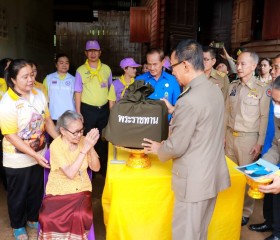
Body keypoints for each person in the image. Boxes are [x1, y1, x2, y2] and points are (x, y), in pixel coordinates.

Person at [142, 39, 230, 240]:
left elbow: (177, 146)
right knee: (200, 233)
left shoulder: (188, 99)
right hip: (211, 176)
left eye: (172, 66)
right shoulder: (213, 89)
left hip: (193, 182)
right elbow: (204, 125)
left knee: (186, 235)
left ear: (185, 65)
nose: (171, 72)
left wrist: (159, 148)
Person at [0, 59, 58, 240]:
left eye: (31, 75)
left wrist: (59, 140)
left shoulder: (39, 94)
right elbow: (11, 135)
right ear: (13, 80)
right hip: (17, 159)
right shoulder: (7, 102)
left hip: (39, 153)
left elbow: (47, 120)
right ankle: (18, 225)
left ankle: (33, 218)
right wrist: (34, 155)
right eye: (25, 77)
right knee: (18, 194)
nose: (30, 79)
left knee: (36, 190)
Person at [224, 50, 270, 226]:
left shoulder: (262, 90)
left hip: (248, 140)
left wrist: (259, 143)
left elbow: (265, 119)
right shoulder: (233, 86)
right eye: (238, 63)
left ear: (253, 66)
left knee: (247, 178)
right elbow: (225, 112)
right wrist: (223, 136)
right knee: (229, 175)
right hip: (230, 136)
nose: (239, 66)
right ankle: (230, 206)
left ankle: (245, 212)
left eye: (243, 64)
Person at [38, 110, 100, 240]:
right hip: (58, 190)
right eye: (75, 132)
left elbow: (96, 167)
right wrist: (85, 150)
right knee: (47, 217)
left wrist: (91, 147)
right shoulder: (56, 145)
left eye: (81, 130)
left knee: (80, 214)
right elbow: (70, 173)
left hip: (81, 188)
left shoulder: (85, 141)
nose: (79, 135)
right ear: (63, 131)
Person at [249, 55, 280, 236]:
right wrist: (263, 166)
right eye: (274, 102)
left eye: (279, 102)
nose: (276, 107)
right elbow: (277, 145)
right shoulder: (278, 115)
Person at [74, 40, 112, 176]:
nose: (93, 53)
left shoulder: (107, 69)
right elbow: (78, 91)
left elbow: (110, 90)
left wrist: (111, 110)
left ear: (100, 52)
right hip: (87, 109)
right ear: (86, 53)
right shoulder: (81, 70)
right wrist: (78, 112)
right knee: (88, 138)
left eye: (95, 51)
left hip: (104, 110)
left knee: (103, 137)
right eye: (90, 51)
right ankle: (90, 169)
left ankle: (101, 168)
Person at [135, 48, 181, 119]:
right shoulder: (139, 80)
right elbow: (133, 105)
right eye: (149, 64)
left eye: (155, 64)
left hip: (166, 127)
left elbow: (177, 107)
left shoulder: (172, 80)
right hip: (144, 126)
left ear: (163, 62)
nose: (152, 68)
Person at [43, 53, 76, 123]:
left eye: (67, 63)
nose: (64, 65)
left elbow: (76, 98)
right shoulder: (48, 78)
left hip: (69, 116)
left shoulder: (74, 80)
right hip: (53, 115)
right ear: (56, 65)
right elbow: (44, 99)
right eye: (61, 63)